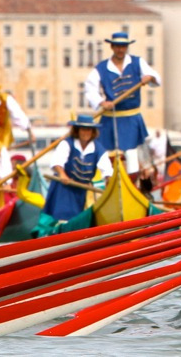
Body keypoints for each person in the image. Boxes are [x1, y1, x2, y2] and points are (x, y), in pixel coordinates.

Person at [83, 31, 162, 176]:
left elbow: (156, 77)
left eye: (123, 46)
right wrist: (101, 102)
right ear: (112, 47)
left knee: (131, 151)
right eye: (118, 46)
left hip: (131, 117)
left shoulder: (137, 62)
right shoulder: (101, 68)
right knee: (105, 151)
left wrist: (149, 77)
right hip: (110, 116)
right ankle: (107, 179)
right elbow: (90, 89)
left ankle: (133, 180)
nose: (120, 49)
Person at [40, 113, 111, 226]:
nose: (85, 133)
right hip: (64, 187)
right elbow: (57, 162)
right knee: (62, 217)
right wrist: (62, 174)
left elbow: (107, 169)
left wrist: (109, 182)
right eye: (83, 129)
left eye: (88, 130)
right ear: (77, 130)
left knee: (78, 218)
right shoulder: (67, 144)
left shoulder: (98, 149)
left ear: (93, 132)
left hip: (82, 190)